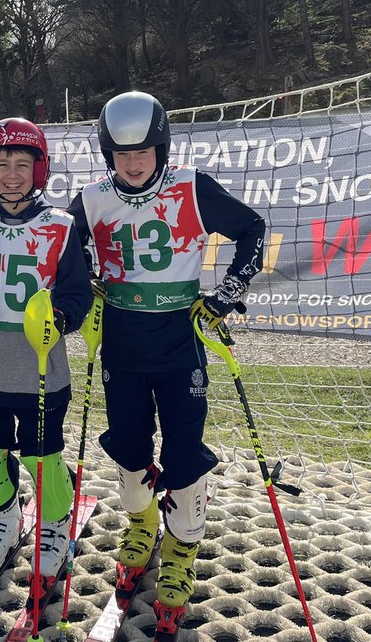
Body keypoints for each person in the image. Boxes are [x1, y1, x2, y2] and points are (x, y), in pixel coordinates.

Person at [67, 91, 266, 635]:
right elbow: (60, 245)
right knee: (128, 448)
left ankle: (181, 549)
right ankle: (141, 521)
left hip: (179, 340)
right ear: (108, 154)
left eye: (145, 151)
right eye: (122, 154)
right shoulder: (90, 198)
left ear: (163, 146)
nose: (134, 163)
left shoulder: (192, 186)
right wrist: (82, 276)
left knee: (183, 450)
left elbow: (252, 230)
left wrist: (227, 292)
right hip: (122, 345)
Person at [0, 118, 92, 603]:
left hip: (41, 367)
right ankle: (4, 518)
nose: (12, 174)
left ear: (38, 169)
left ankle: (54, 524)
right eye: (2, 164)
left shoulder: (62, 225)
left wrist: (64, 317)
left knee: (41, 455)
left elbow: (77, 291)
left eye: (22, 165)